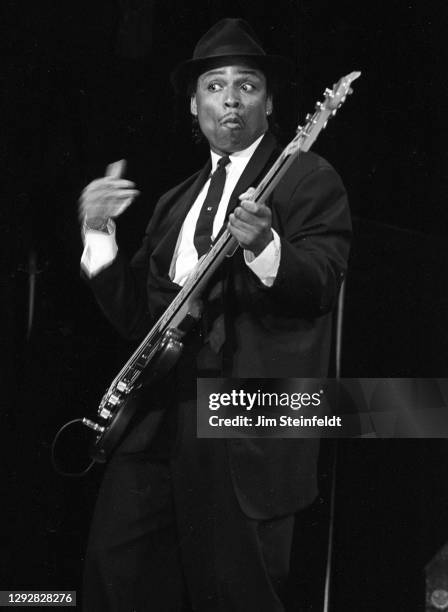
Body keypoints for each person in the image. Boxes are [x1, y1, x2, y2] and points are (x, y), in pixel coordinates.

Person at [79, 18, 351, 612]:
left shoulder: (307, 177)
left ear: (270, 102)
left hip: (242, 419)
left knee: (235, 593)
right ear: (194, 105)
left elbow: (320, 284)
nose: (230, 97)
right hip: (157, 417)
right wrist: (98, 232)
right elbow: (140, 321)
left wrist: (262, 245)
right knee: (116, 577)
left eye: (247, 85)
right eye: (215, 85)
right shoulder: (177, 200)